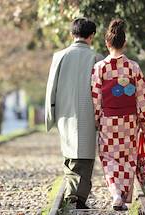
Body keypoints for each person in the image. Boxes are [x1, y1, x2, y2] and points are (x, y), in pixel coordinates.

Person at [91, 19, 145, 211]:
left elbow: (96, 96)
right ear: (124, 43)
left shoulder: (100, 67)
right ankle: (122, 193)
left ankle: (116, 194)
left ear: (107, 43)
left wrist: (96, 118)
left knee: (108, 156)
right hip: (129, 119)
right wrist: (143, 118)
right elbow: (142, 94)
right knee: (128, 157)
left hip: (108, 119)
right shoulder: (133, 67)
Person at [45, 17, 102, 209]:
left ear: (72, 34)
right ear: (92, 35)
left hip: (65, 112)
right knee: (86, 157)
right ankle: (78, 198)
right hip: (89, 112)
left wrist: (50, 115)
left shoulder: (59, 56)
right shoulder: (97, 58)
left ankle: (72, 195)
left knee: (69, 153)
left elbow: (50, 88)